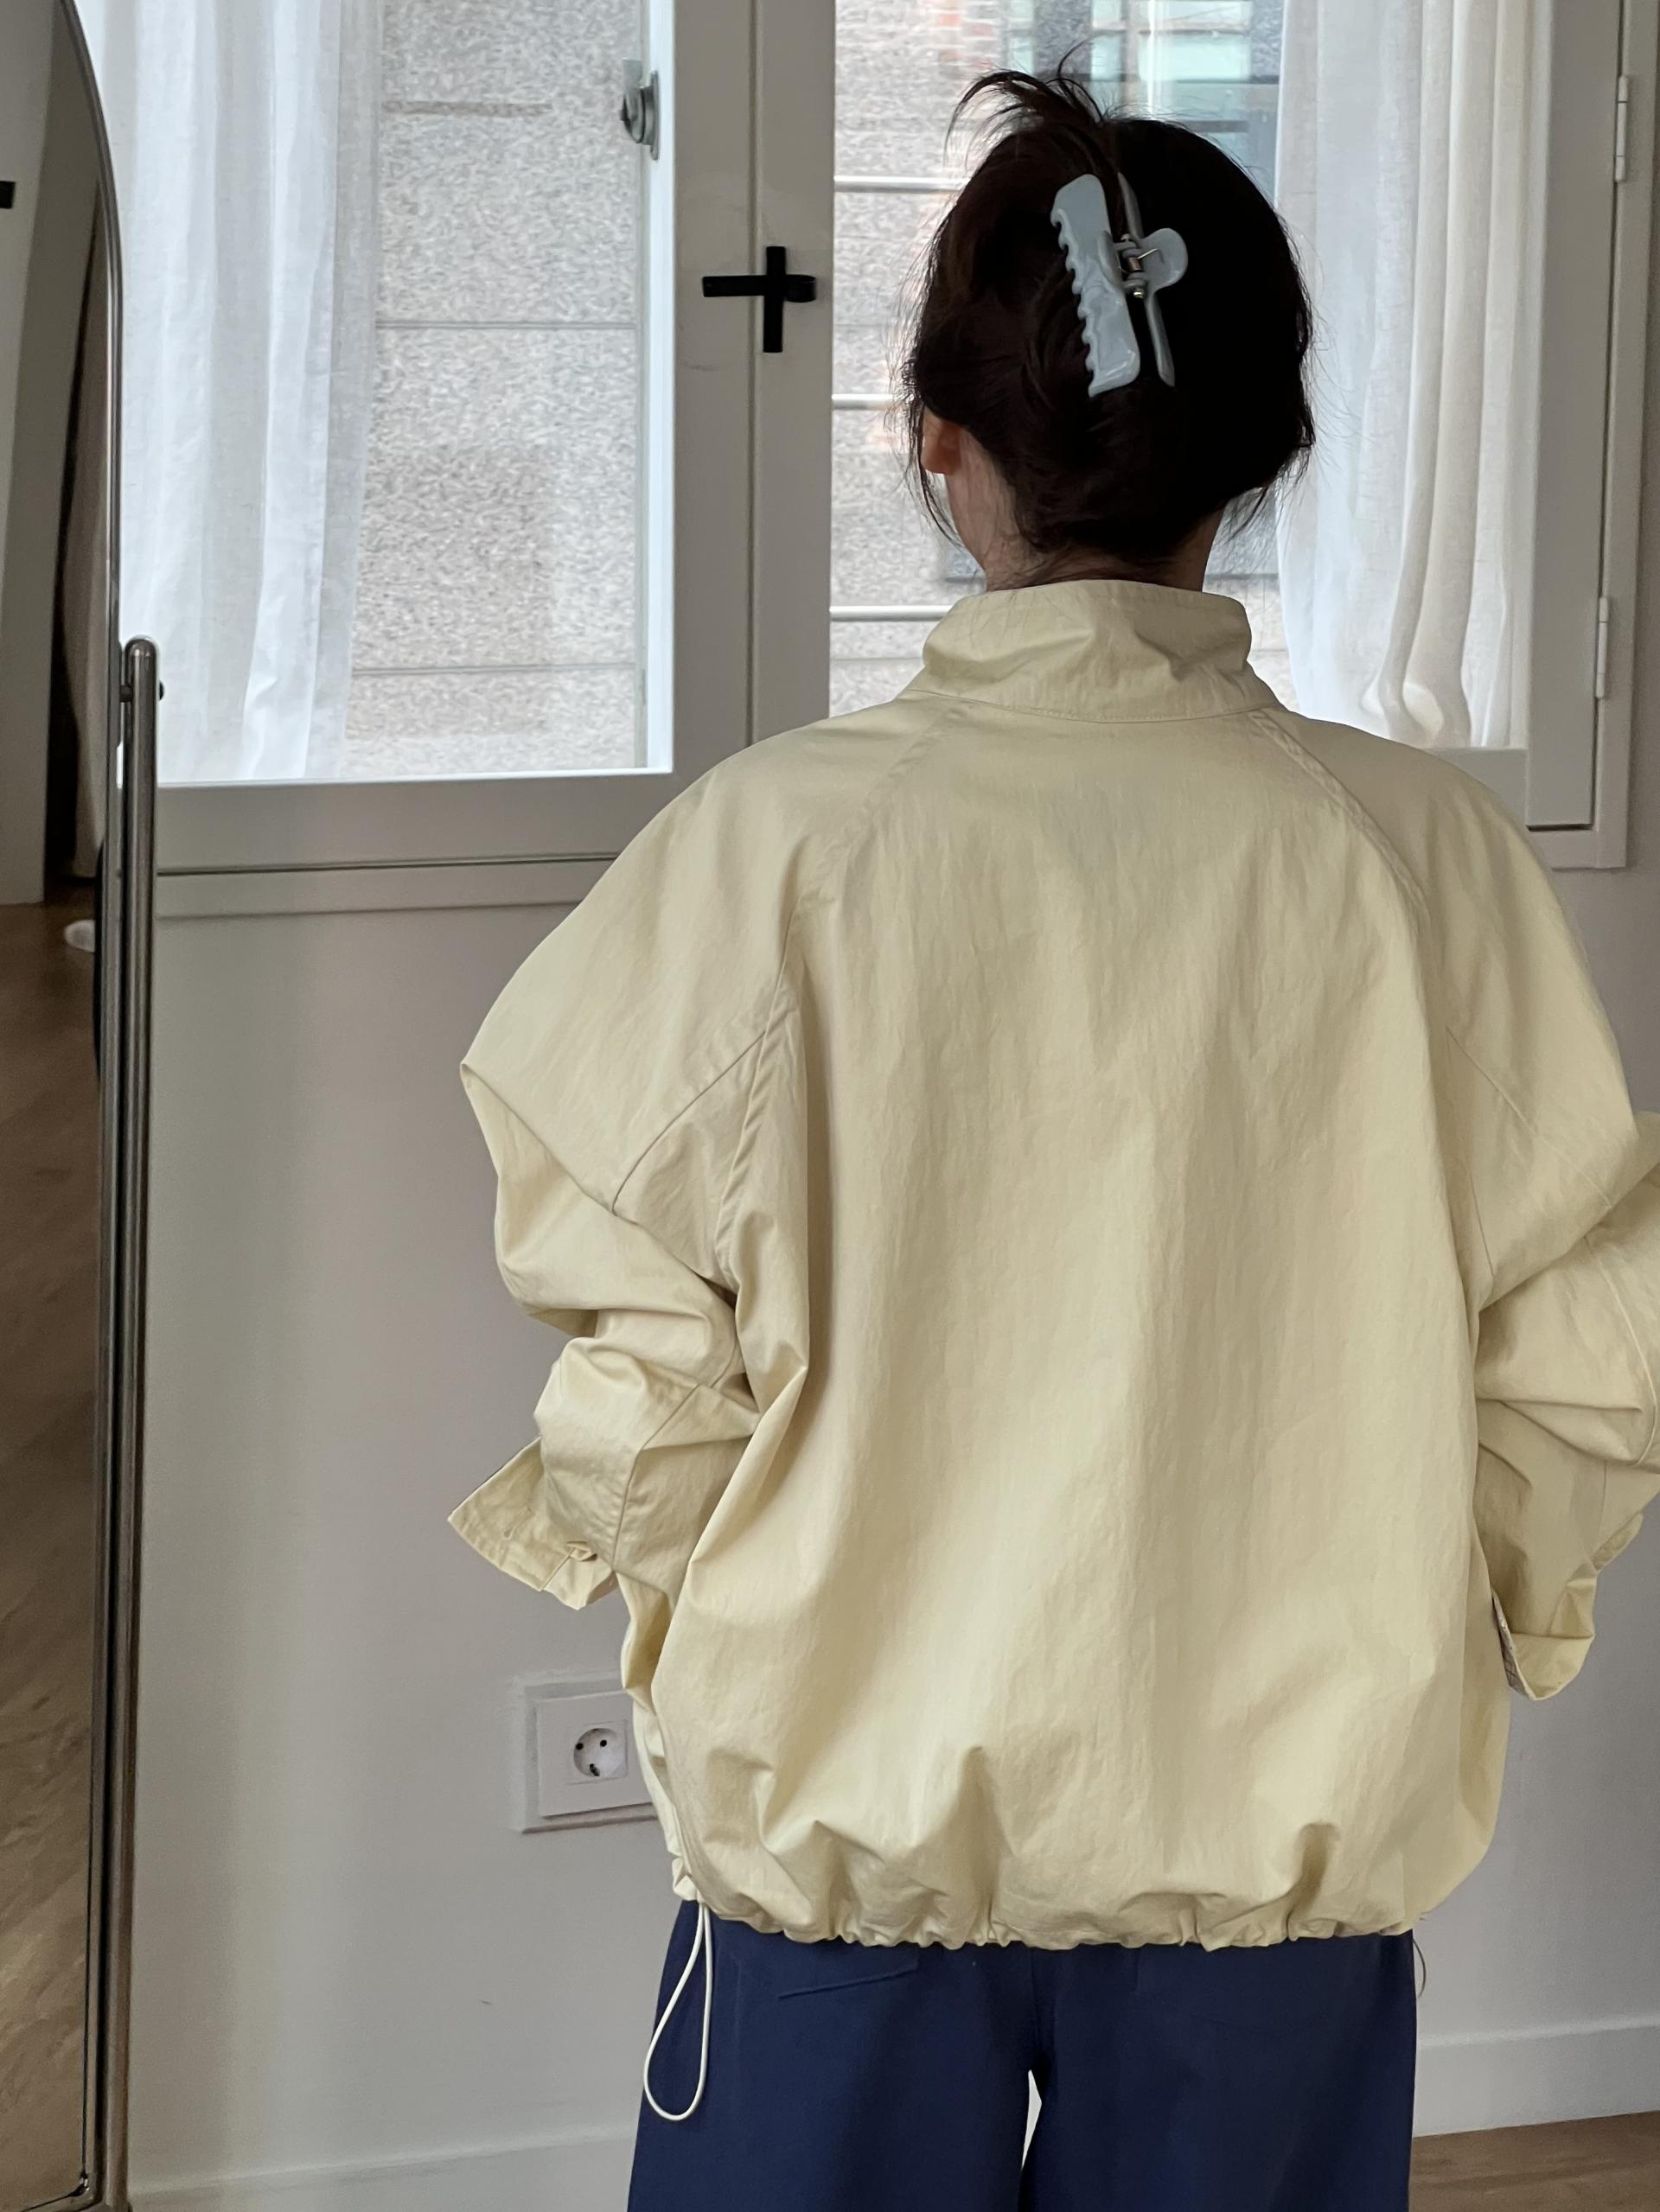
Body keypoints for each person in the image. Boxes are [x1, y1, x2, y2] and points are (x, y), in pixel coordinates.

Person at [446, 69, 1660, 2212]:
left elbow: (635, 1356)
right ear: (1261, 452)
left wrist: (721, 1612)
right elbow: (1583, 1363)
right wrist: (1423, 1608)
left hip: (841, 1830)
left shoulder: (768, 852)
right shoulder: (1426, 862)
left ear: (936, 437)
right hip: (1275, 1853)